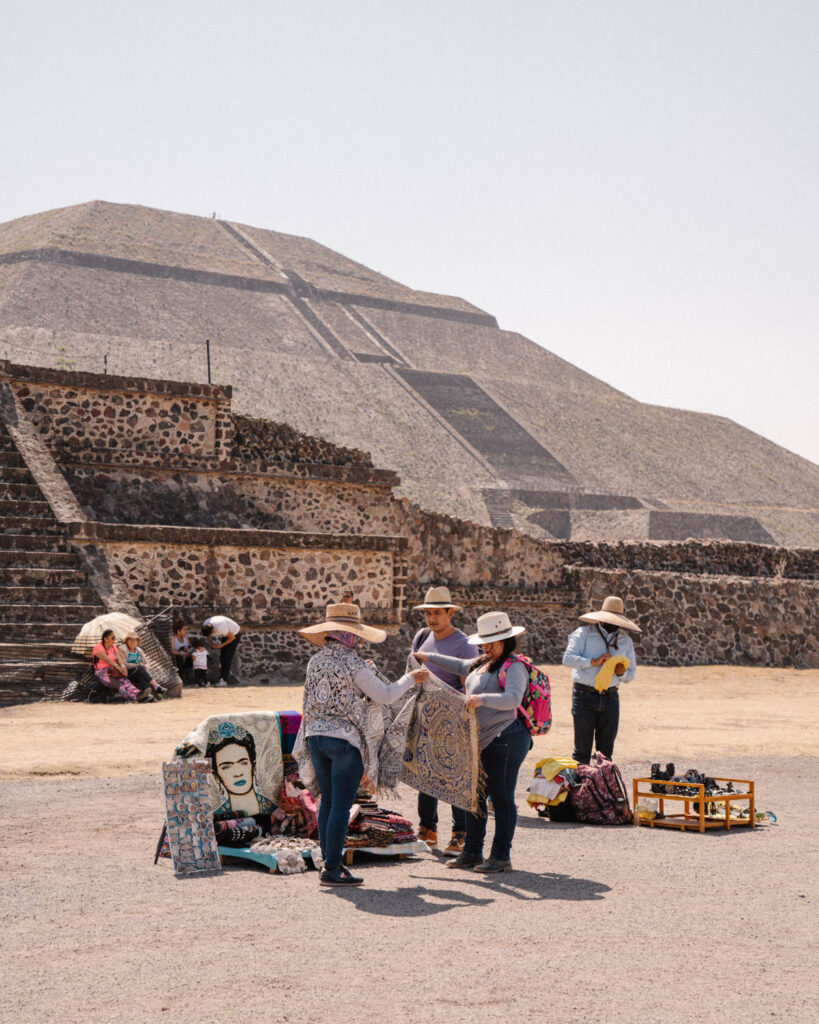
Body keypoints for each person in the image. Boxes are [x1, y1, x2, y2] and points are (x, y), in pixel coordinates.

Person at [297, 602, 428, 887]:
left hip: (315, 738)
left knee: (328, 803)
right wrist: (411, 678)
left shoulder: (315, 661)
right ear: (350, 635)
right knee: (341, 806)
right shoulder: (352, 662)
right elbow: (385, 694)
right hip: (344, 742)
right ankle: (332, 867)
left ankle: (328, 863)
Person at [415, 611, 530, 873]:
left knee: (501, 798)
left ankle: (501, 856)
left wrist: (482, 699)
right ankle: (473, 852)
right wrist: (428, 657)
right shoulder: (482, 662)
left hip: (506, 739)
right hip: (480, 740)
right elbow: (457, 666)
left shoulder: (515, 667)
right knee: (473, 798)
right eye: (484, 643)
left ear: (507, 641)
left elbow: (513, 698)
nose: (486, 647)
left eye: (492, 643)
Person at [410, 586, 478, 856]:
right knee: (425, 776)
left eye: (437, 613)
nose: (431, 618)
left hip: (452, 720)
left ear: (451, 612)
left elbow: (467, 687)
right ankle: (427, 829)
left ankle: (460, 834)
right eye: (427, 613)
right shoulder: (422, 636)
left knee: (453, 777)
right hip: (424, 719)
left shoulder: (465, 645)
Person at [562, 595, 641, 765]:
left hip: (610, 697)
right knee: (581, 752)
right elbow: (567, 659)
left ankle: (601, 791)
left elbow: (631, 673)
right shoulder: (583, 634)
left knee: (605, 755)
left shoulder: (625, 641)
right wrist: (592, 661)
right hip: (584, 696)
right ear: (602, 619)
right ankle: (581, 791)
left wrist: (621, 674)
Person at [91, 629, 145, 702]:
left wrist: (123, 667)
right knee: (117, 685)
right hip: (102, 672)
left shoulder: (113, 647)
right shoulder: (98, 647)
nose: (114, 639)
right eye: (112, 638)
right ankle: (134, 697)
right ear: (105, 639)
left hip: (114, 670)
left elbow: (119, 658)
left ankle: (139, 693)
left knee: (125, 681)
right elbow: (107, 659)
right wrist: (118, 667)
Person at [119, 634, 163, 701]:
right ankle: (156, 686)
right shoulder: (122, 649)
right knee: (140, 668)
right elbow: (125, 663)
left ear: (137, 641)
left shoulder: (138, 650)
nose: (133, 642)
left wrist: (146, 666)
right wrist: (138, 665)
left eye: (135, 640)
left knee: (141, 674)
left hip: (138, 672)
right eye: (130, 640)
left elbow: (146, 662)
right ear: (127, 641)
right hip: (128, 672)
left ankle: (148, 696)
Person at [201, 614, 241, 687]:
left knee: (227, 657)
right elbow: (208, 635)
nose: (213, 634)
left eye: (212, 633)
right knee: (222, 657)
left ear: (213, 630)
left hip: (234, 634)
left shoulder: (220, 627)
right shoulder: (205, 624)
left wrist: (220, 646)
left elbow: (232, 638)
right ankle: (222, 678)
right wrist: (211, 643)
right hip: (225, 635)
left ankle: (223, 680)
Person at [171, 619, 192, 684]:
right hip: (176, 658)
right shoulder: (173, 638)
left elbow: (190, 648)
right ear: (178, 631)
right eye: (184, 629)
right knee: (179, 659)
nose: (186, 631)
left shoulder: (185, 638)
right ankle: (180, 679)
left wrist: (188, 651)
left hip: (185, 657)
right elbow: (171, 651)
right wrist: (181, 654)